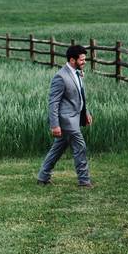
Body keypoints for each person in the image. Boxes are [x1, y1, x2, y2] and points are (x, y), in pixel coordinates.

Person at [38, 45, 94, 187]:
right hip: (66, 120)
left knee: (58, 149)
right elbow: (53, 103)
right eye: (82, 60)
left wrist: (85, 113)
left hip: (76, 117)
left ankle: (43, 177)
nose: (84, 62)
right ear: (72, 59)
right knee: (80, 147)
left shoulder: (78, 73)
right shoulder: (60, 77)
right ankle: (84, 181)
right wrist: (55, 125)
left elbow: (80, 96)